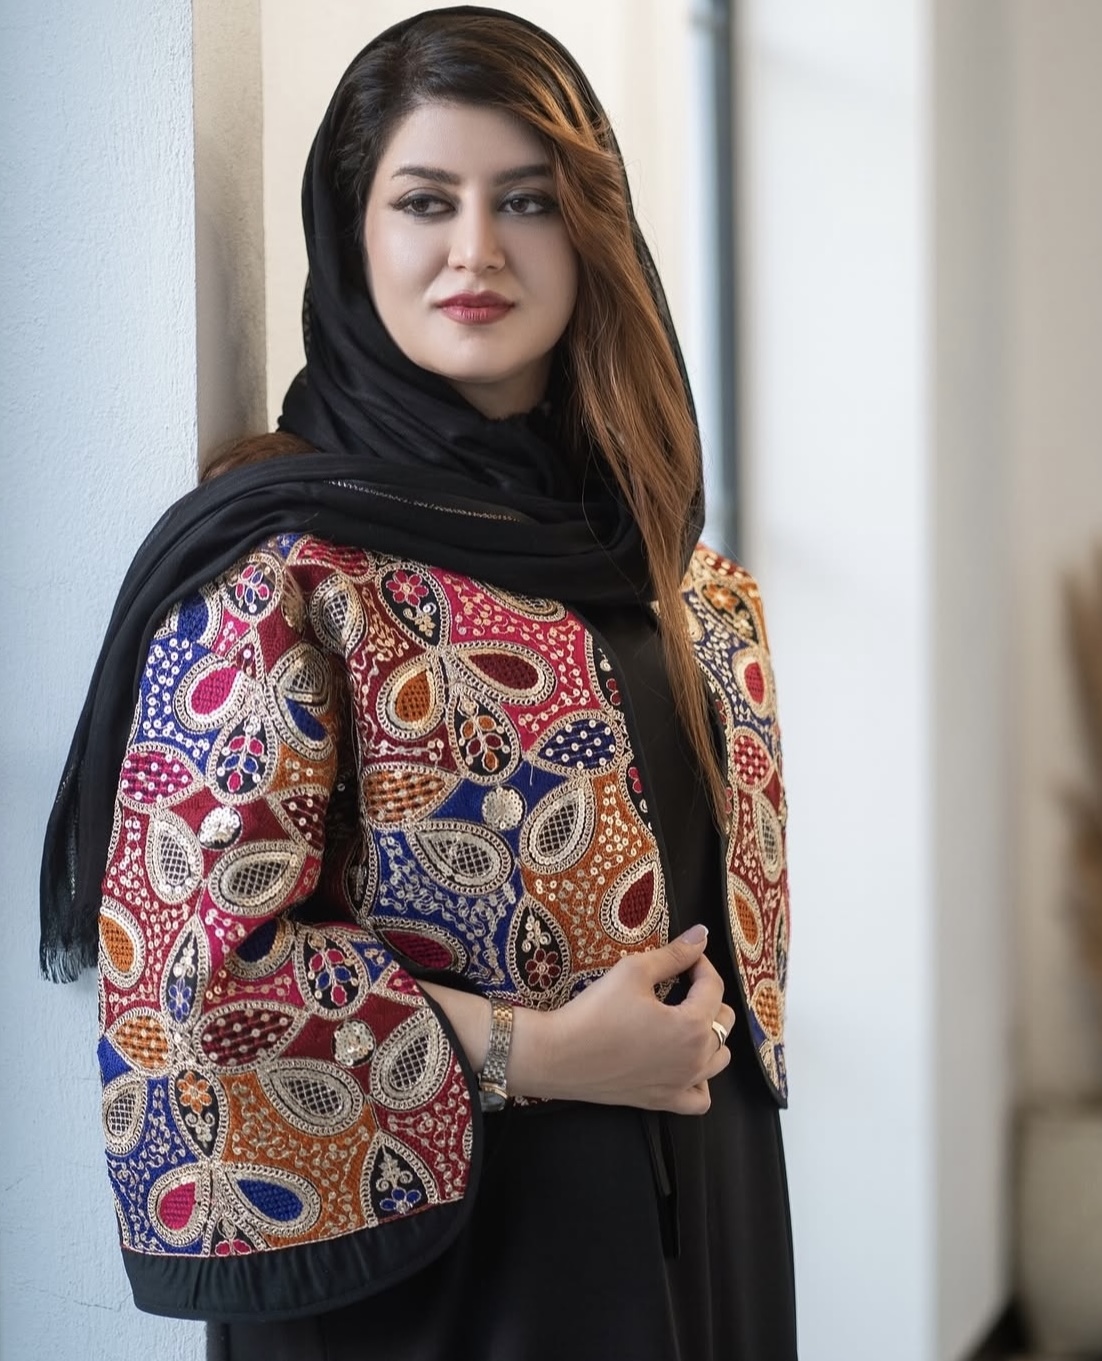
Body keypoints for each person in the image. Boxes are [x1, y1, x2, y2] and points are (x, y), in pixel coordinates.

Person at [40, 8, 796, 1359]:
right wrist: (541, 1054)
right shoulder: (284, 571)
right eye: (425, 201)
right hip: (428, 1278)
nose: (477, 249)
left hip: (701, 1223)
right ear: (354, 233)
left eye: (528, 200)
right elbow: (193, 982)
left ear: (595, 231)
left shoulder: (679, 572)